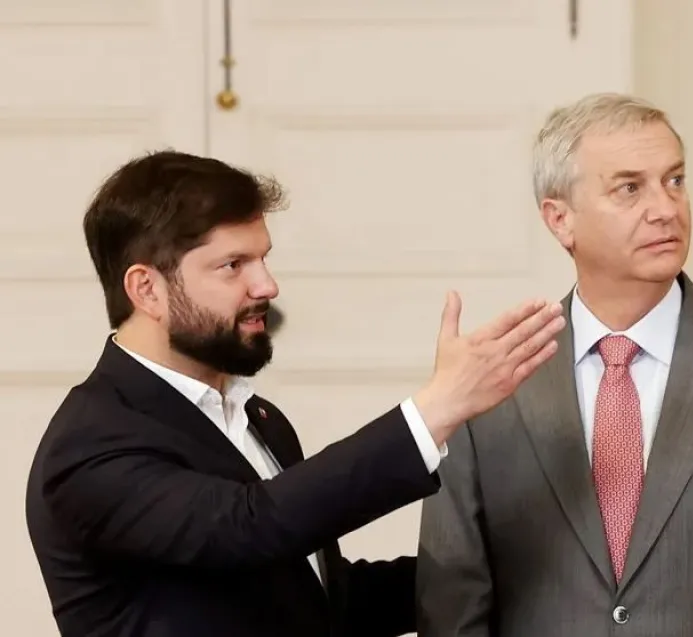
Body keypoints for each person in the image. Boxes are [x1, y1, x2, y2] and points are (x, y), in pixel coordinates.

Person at [24, 150, 565, 637]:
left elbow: (317, 600)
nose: (267, 285)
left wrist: (517, 565)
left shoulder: (259, 418)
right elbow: (247, 527)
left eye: (263, 258)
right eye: (233, 265)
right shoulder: (90, 446)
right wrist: (438, 409)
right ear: (147, 289)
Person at [416, 93, 693, 636]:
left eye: (674, 180)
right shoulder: (491, 379)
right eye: (630, 188)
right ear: (561, 220)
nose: (666, 208)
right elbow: (452, 605)